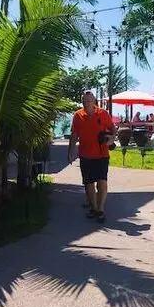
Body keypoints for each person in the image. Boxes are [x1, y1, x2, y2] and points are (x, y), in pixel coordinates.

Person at [68, 91, 115, 222]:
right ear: (82, 101)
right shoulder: (78, 115)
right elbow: (74, 135)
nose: (87, 103)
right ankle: (93, 209)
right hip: (85, 155)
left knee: (102, 182)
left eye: (89, 100)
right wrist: (70, 151)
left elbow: (112, 128)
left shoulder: (103, 113)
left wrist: (111, 139)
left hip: (102, 154)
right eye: (85, 101)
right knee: (89, 183)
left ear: (94, 101)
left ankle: (100, 210)